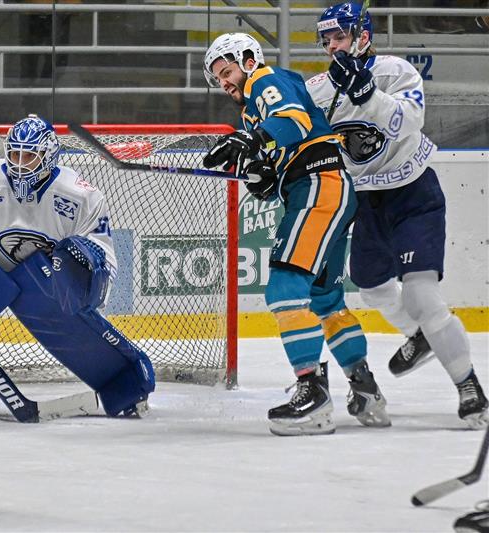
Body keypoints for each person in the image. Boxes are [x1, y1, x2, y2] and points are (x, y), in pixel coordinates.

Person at [0, 114, 155, 418]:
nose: (20, 163)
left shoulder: (80, 195)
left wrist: (85, 270)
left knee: (65, 293)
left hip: (44, 281)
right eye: (15, 154)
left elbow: (104, 256)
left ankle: (124, 384)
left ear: (49, 156)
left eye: (29, 156)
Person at [307, 2, 488, 429]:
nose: (333, 46)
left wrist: (367, 94)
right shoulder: (318, 89)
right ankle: (421, 335)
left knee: (421, 297)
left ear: (362, 35)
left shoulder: (395, 71)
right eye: (327, 39)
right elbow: (297, 135)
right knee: (370, 286)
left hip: (413, 194)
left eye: (340, 36)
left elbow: (410, 120)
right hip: (367, 200)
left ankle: (469, 387)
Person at [202, 33, 389, 436]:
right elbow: (273, 172)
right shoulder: (254, 113)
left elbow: (293, 122)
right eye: (218, 79)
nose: (225, 83)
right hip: (322, 187)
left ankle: (313, 396)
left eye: (227, 71)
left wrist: (250, 140)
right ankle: (366, 390)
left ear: (249, 60)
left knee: (285, 287)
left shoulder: (265, 82)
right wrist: (257, 171)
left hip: (318, 185)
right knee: (325, 299)